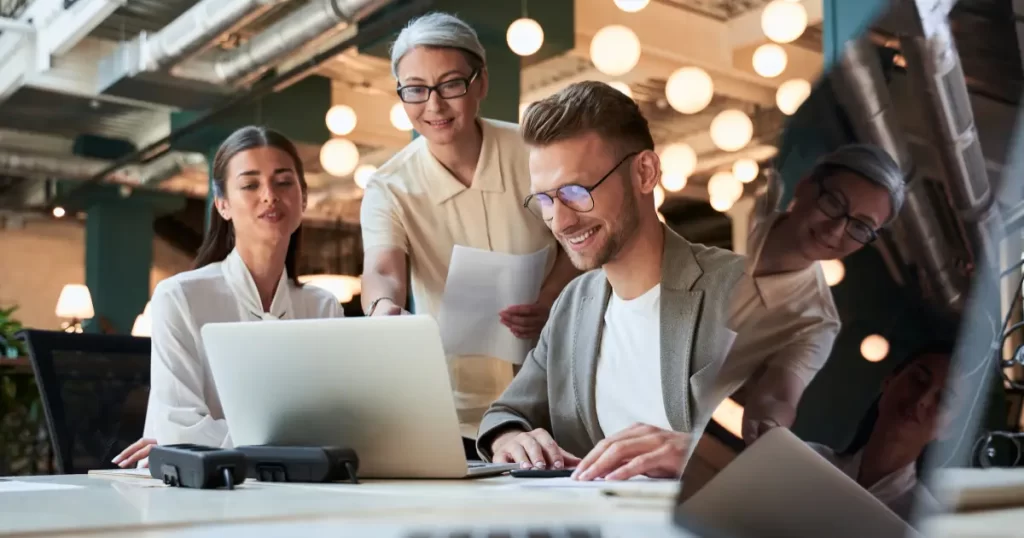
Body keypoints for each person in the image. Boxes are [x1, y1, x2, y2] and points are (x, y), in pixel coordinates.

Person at [475, 81, 745, 481]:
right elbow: (506, 413)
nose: (560, 221)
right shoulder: (573, 304)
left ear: (645, 172)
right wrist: (510, 438)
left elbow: (816, 454)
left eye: (575, 191)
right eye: (546, 200)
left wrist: (703, 454)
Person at [359, 12, 579, 440]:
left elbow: (580, 237)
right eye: (416, 90)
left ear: (480, 83)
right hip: (456, 406)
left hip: (555, 388)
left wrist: (550, 296)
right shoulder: (390, 186)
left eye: (451, 84)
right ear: (401, 96)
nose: (434, 105)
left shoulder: (533, 152)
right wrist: (382, 309)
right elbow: (383, 268)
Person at [113, 126, 343, 468]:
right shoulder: (179, 297)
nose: (269, 195)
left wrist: (223, 441)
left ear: (304, 197)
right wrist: (294, 446)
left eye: (283, 182)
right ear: (222, 204)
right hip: (204, 493)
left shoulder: (323, 307)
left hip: (297, 489)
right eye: (250, 184)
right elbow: (178, 429)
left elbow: (338, 427)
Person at [730, 144, 906, 444]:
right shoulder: (736, 214)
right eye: (835, 203)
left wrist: (771, 421)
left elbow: (779, 395)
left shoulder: (816, 323)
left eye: (861, 227)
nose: (836, 230)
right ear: (805, 185)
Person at [807, 344, 953, 522]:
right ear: (888, 380)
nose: (922, 400)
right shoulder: (806, 462)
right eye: (918, 380)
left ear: (950, 428)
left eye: (944, 399)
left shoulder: (930, 525)